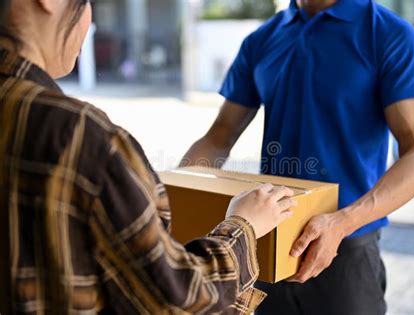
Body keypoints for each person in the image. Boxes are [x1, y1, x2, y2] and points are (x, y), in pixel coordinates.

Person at [0, 0, 297, 314]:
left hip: (347, 241)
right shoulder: (82, 138)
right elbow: (176, 301)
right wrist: (242, 225)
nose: (88, 21)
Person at [182, 0, 414, 314]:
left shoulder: (388, 34)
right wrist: (172, 203)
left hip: (346, 249)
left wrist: (342, 223)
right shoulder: (262, 39)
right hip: (266, 243)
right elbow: (218, 136)